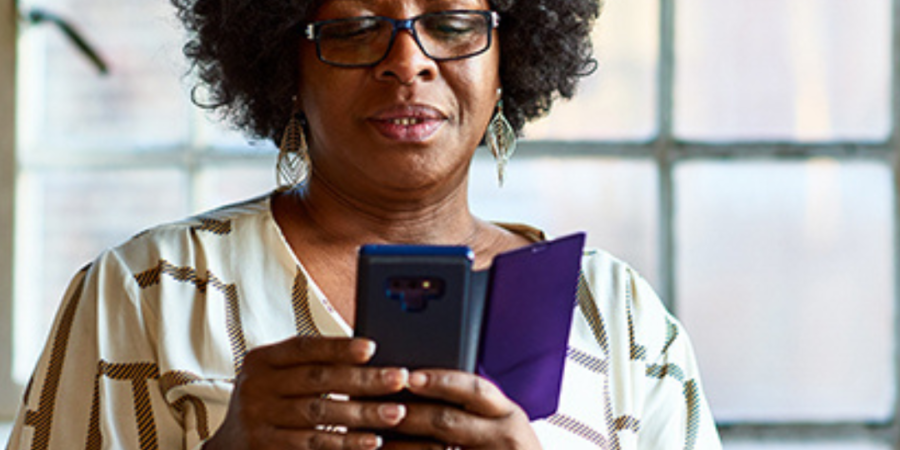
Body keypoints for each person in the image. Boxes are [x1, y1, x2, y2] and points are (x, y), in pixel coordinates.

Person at [7, 0, 722, 448]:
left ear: (509, 60)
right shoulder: (146, 293)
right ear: (286, 65)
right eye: (353, 31)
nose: (407, 62)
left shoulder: (616, 319)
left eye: (450, 24)